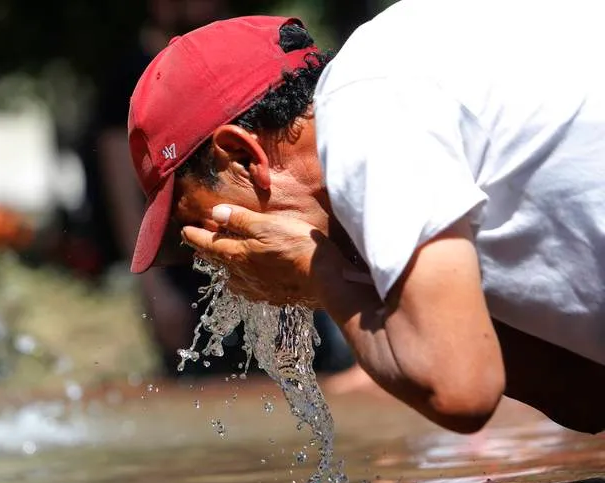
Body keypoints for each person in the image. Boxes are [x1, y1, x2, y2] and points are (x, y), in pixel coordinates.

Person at [125, 3, 605, 434]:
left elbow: (463, 392)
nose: (219, 261)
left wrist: (325, 279)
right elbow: (584, 396)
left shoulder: (364, 112)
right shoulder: (405, 74)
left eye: (206, 226)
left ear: (243, 158)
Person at [89, 0, 355, 376]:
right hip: (189, 283)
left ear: (245, 158)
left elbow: (449, 389)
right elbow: (120, 185)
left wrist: (329, 279)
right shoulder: (126, 76)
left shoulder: (386, 173)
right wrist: (153, 288)